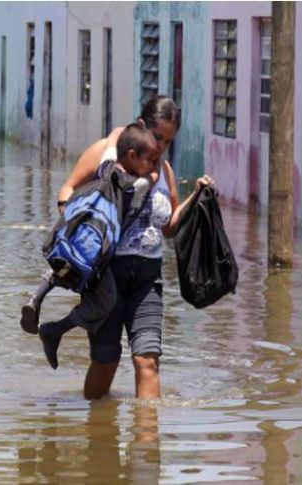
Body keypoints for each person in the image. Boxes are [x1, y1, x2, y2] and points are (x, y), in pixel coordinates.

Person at [30, 95, 214, 399]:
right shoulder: (107, 155)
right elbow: (68, 188)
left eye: (168, 142)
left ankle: (146, 430)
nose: (161, 147)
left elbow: (169, 228)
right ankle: (96, 425)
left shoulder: (164, 172)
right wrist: (75, 227)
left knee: (148, 361)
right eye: (157, 137)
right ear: (141, 126)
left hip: (147, 278)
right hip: (107, 274)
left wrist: (196, 195)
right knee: (106, 363)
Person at [33, 123, 159, 369]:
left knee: (72, 267)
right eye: (149, 160)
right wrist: (158, 163)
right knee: (105, 301)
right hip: (101, 255)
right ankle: (56, 329)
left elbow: (112, 140)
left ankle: (37, 295)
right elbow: (154, 177)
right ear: (132, 156)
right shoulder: (135, 186)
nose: (152, 165)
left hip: (82, 239)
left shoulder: (105, 167)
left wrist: (121, 131)